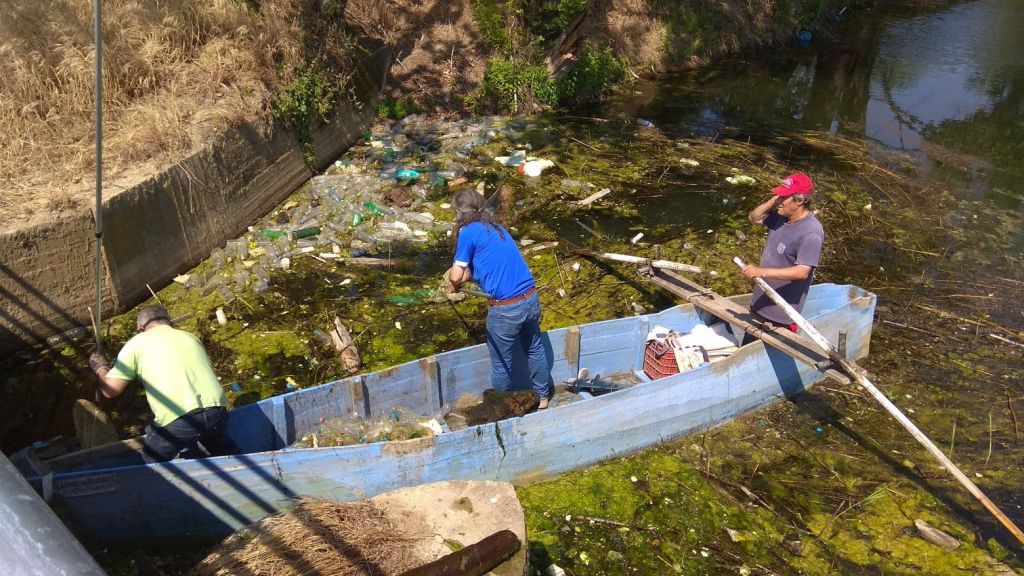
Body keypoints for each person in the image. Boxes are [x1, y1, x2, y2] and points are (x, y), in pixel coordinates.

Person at [88, 305, 239, 463]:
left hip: (180, 420)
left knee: (148, 463)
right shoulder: (190, 337)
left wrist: (100, 368)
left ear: (140, 328)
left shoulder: (135, 344)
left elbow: (110, 390)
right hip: (217, 411)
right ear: (170, 323)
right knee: (220, 446)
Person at [446, 189, 553, 408]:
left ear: (459, 213)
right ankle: (543, 398)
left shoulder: (467, 231)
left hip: (506, 309)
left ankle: (504, 408)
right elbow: (477, 269)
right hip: (531, 298)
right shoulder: (497, 228)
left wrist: (452, 282)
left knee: (501, 363)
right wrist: (462, 277)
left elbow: (457, 274)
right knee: (534, 348)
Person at [741, 172, 824, 340]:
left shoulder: (811, 232)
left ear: (800, 200)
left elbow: (802, 272)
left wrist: (760, 272)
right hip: (760, 301)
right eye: (779, 195)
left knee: (766, 361)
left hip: (781, 312)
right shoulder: (780, 218)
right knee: (747, 349)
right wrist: (774, 200)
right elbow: (754, 217)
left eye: (784, 197)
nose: (779, 200)